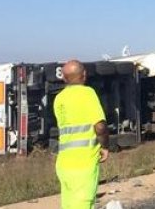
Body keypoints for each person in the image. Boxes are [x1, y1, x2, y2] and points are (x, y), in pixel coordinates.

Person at [54, 60, 109, 209]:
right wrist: (104, 146)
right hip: (83, 163)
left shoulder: (59, 99)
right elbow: (100, 126)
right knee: (83, 204)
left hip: (64, 164)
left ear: (64, 78)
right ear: (84, 75)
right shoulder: (87, 94)